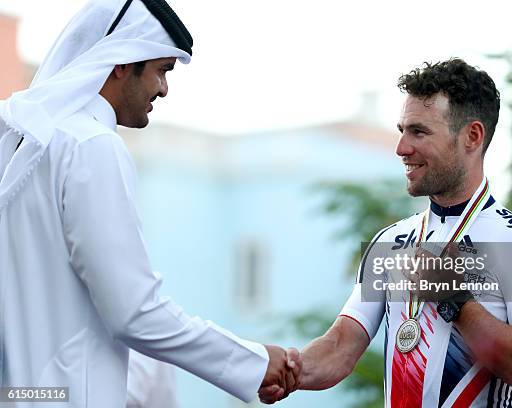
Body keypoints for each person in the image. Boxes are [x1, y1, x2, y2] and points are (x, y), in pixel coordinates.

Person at [0, 0, 300, 406]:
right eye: (162, 70)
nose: (163, 88)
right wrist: (255, 362)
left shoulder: (23, 141)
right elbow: (134, 312)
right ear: (122, 62)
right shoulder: (91, 146)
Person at [259, 59, 512, 407]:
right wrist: (290, 371)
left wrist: (457, 302)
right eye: (402, 130)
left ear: (472, 137)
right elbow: (341, 347)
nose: (401, 148)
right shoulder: (389, 242)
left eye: (418, 132)